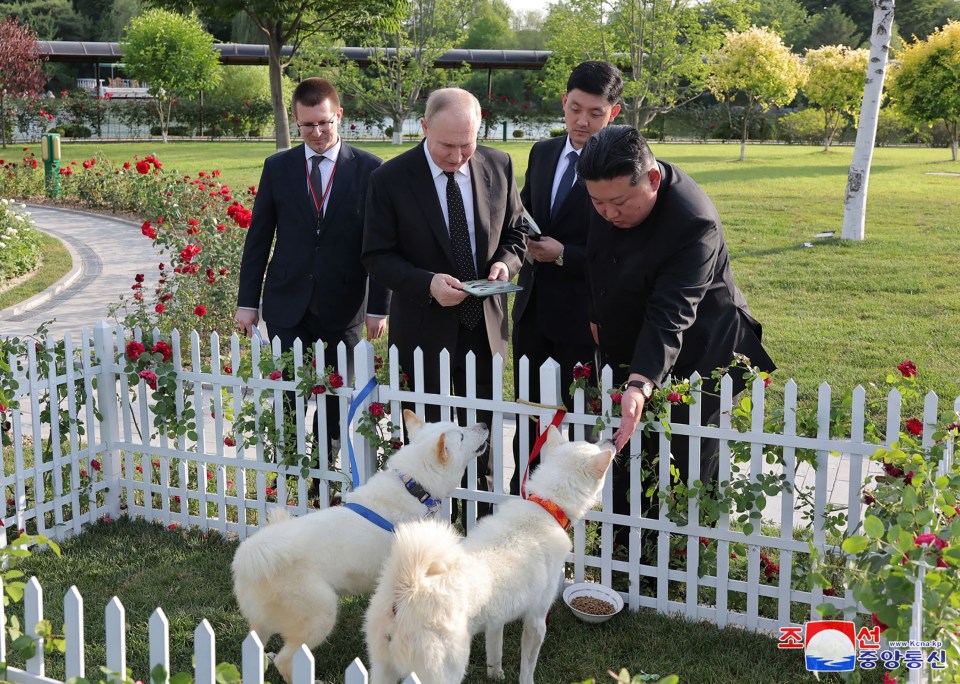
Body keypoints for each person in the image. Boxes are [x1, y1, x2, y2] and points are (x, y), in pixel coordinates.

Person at [576, 125, 775, 525]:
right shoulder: (607, 191)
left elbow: (672, 312)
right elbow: (597, 259)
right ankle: (632, 551)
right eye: (598, 204)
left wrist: (640, 382)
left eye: (618, 203)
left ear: (651, 180)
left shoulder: (693, 221)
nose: (608, 214)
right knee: (631, 457)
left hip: (702, 352)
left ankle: (693, 551)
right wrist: (598, 316)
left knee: (691, 466)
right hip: (638, 342)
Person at [362, 87, 526, 519]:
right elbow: (376, 256)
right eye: (446, 146)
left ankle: (481, 523)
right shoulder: (390, 179)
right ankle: (430, 525)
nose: (457, 156)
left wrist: (505, 266)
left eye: (466, 144)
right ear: (424, 128)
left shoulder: (498, 164)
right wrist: (426, 283)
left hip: (485, 327)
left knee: (481, 435)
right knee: (429, 441)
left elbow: (516, 233)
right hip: (423, 330)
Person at [235, 77, 389, 476]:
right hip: (288, 305)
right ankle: (290, 472)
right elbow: (259, 238)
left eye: (324, 122)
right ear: (296, 123)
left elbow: (384, 246)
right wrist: (247, 301)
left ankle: (324, 474)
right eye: (307, 125)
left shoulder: (372, 170)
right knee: (289, 397)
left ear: (339, 116)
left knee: (335, 399)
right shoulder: (278, 167)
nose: (317, 133)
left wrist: (378, 308)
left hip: (345, 308)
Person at [509, 61, 622, 496]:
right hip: (533, 310)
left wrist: (564, 255)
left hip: (586, 314)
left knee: (579, 425)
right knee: (531, 418)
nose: (582, 121)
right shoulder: (542, 152)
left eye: (595, 113)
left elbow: (623, 249)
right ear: (564, 101)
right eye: (575, 108)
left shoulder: (621, 162)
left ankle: (578, 511)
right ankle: (526, 499)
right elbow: (522, 214)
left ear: (613, 113)